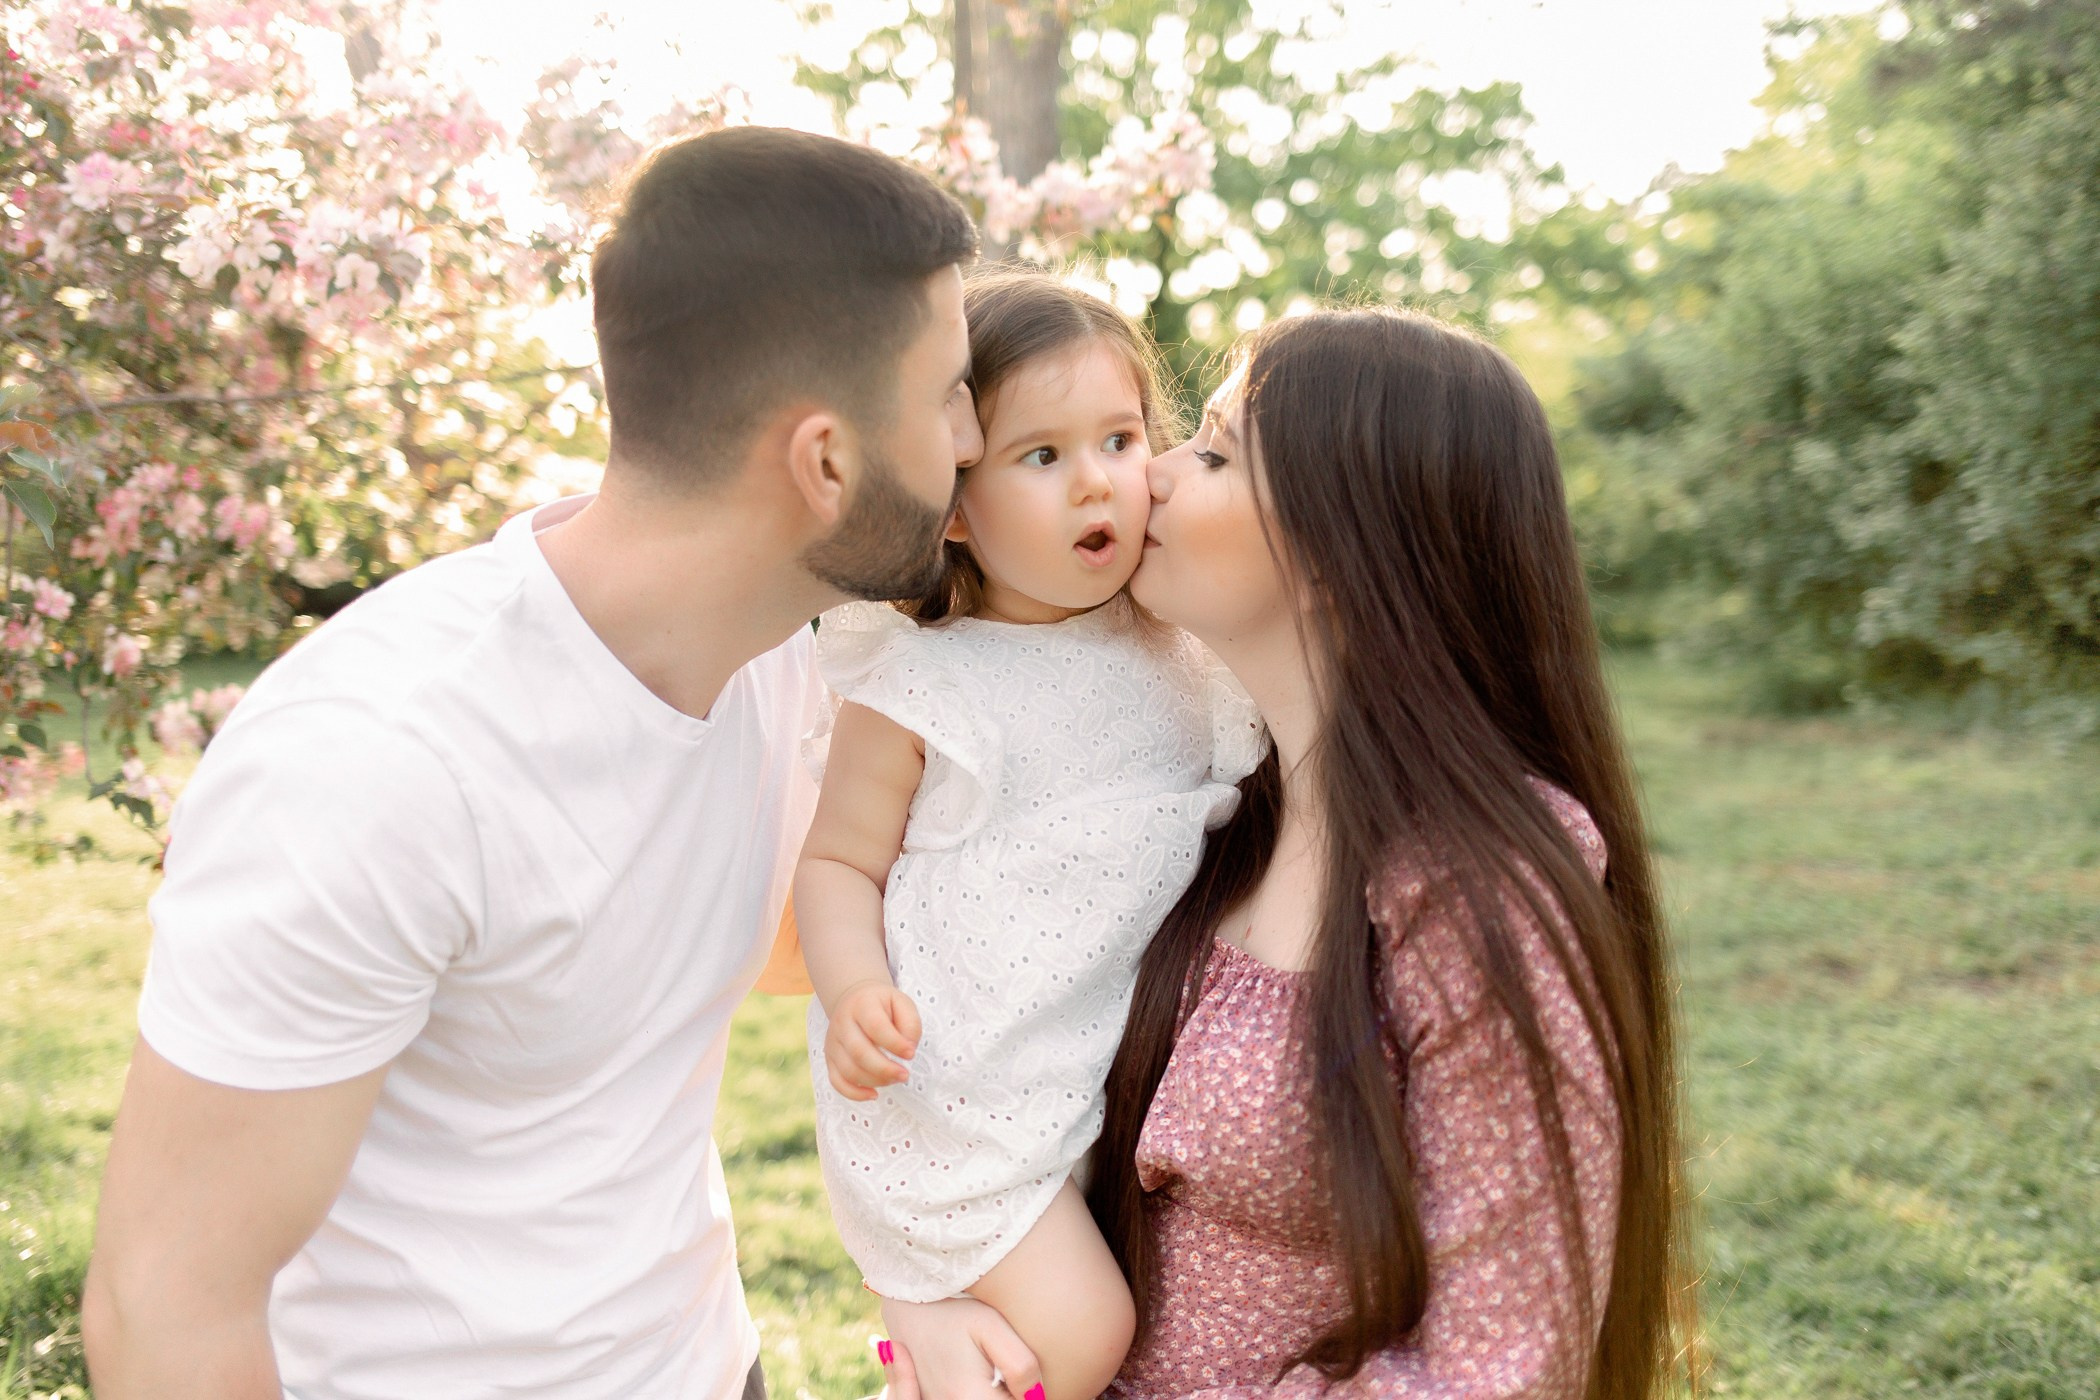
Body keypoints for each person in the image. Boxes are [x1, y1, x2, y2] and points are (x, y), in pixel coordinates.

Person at [80, 126, 983, 1400]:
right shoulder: (378, 761)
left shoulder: (780, 652)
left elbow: (722, 953)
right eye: (947, 389)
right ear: (825, 462)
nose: (975, 433)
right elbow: (163, 1305)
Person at [878, 307, 1690, 1400]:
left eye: (1210, 450)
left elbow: (1500, 1361)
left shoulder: (1474, 892)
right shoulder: (1193, 811)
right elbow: (959, 1033)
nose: (1147, 473)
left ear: (1338, 547)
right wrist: (932, 1284)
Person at [797, 268, 1266, 1400]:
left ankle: (920, 1339)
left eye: (1118, 437)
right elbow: (834, 861)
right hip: (951, 1089)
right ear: (953, 502)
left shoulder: (1187, 655)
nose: (1098, 482)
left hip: (1091, 1081)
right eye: (1041, 456)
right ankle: (915, 1337)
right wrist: (856, 988)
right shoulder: (921, 682)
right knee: (1083, 1334)